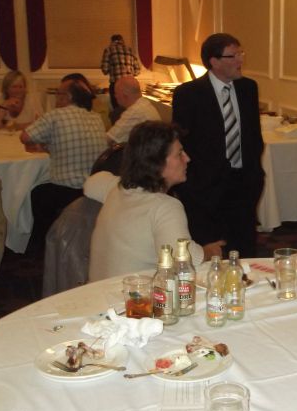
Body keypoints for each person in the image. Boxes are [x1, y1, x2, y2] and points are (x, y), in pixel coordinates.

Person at [87, 121, 224, 281]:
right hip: (133, 293)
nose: (187, 158)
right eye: (179, 154)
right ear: (157, 163)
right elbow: (185, 259)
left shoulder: (116, 189)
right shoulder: (165, 207)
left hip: (97, 289)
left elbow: (90, 184)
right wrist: (211, 252)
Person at [171, 33, 264, 258]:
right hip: (205, 188)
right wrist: (192, 185)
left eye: (241, 53)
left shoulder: (248, 88)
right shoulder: (188, 93)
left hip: (243, 184)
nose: (240, 60)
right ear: (214, 61)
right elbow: (183, 142)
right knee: (212, 253)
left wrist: (254, 174)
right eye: (233, 55)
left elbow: (253, 135)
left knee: (245, 251)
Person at [20, 79, 107, 254]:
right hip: (94, 187)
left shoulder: (55, 115)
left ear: (67, 97)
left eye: (58, 94)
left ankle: (40, 244)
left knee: (36, 192)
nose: (56, 98)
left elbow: (25, 137)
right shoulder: (96, 117)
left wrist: (45, 143)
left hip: (66, 190)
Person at [106, 75, 160, 144]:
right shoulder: (145, 104)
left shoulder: (134, 111)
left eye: (116, 93)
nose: (115, 96)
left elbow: (109, 139)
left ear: (124, 95)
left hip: (148, 149)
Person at [100, 34, 141, 109]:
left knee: (117, 110)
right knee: (130, 108)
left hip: (116, 85)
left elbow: (104, 70)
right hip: (130, 84)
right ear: (122, 40)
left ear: (112, 41)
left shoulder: (109, 50)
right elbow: (137, 71)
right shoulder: (130, 50)